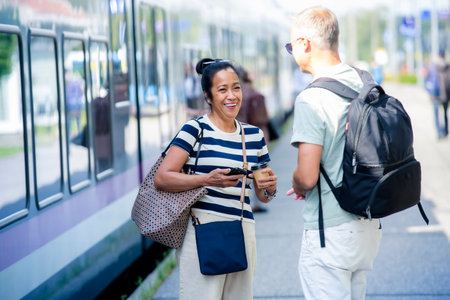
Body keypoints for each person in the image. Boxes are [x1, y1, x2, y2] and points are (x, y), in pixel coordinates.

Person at [154, 58, 278, 300]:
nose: (232, 96)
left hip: (243, 228)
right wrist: (207, 180)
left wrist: (269, 187)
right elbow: (162, 178)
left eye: (236, 87)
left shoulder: (254, 136)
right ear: (208, 96)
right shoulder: (194, 130)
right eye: (222, 89)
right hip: (202, 230)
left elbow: (264, 196)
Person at [285, 7, 382, 300]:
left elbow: (307, 176)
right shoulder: (365, 82)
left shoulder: (312, 98)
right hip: (367, 226)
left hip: (331, 232)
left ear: (305, 44)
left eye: (291, 46)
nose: (291, 52)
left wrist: (298, 183)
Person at [236, 66, 271, 213]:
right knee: (256, 172)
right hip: (250, 139)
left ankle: (250, 201)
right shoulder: (254, 94)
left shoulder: (246, 95)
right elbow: (263, 121)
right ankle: (254, 202)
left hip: (241, 137)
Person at [425, 50, 449, 139]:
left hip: (435, 93)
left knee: (436, 113)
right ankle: (445, 132)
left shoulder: (433, 66)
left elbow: (427, 80)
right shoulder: (447, 67)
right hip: (446, 93)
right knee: (445, 113)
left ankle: (439, 132)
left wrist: (428, 91)